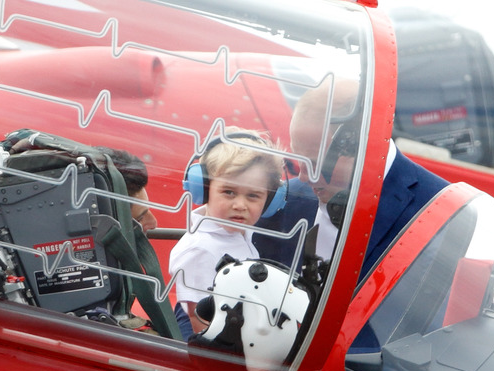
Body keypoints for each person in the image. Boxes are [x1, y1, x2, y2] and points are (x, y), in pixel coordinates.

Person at [256, 79, 448, 281]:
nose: (303, 177)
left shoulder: (438, 210)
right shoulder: (283, 203)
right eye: (299, 159)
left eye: (316, 163)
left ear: (361, 147)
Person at [170, 127, 284, 339]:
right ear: (204, 189)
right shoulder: (201, 249)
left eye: (253, 195)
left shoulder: (239, 233)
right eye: (229, 192)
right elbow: (199, 320)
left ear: (270, 200)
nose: (240, 205)